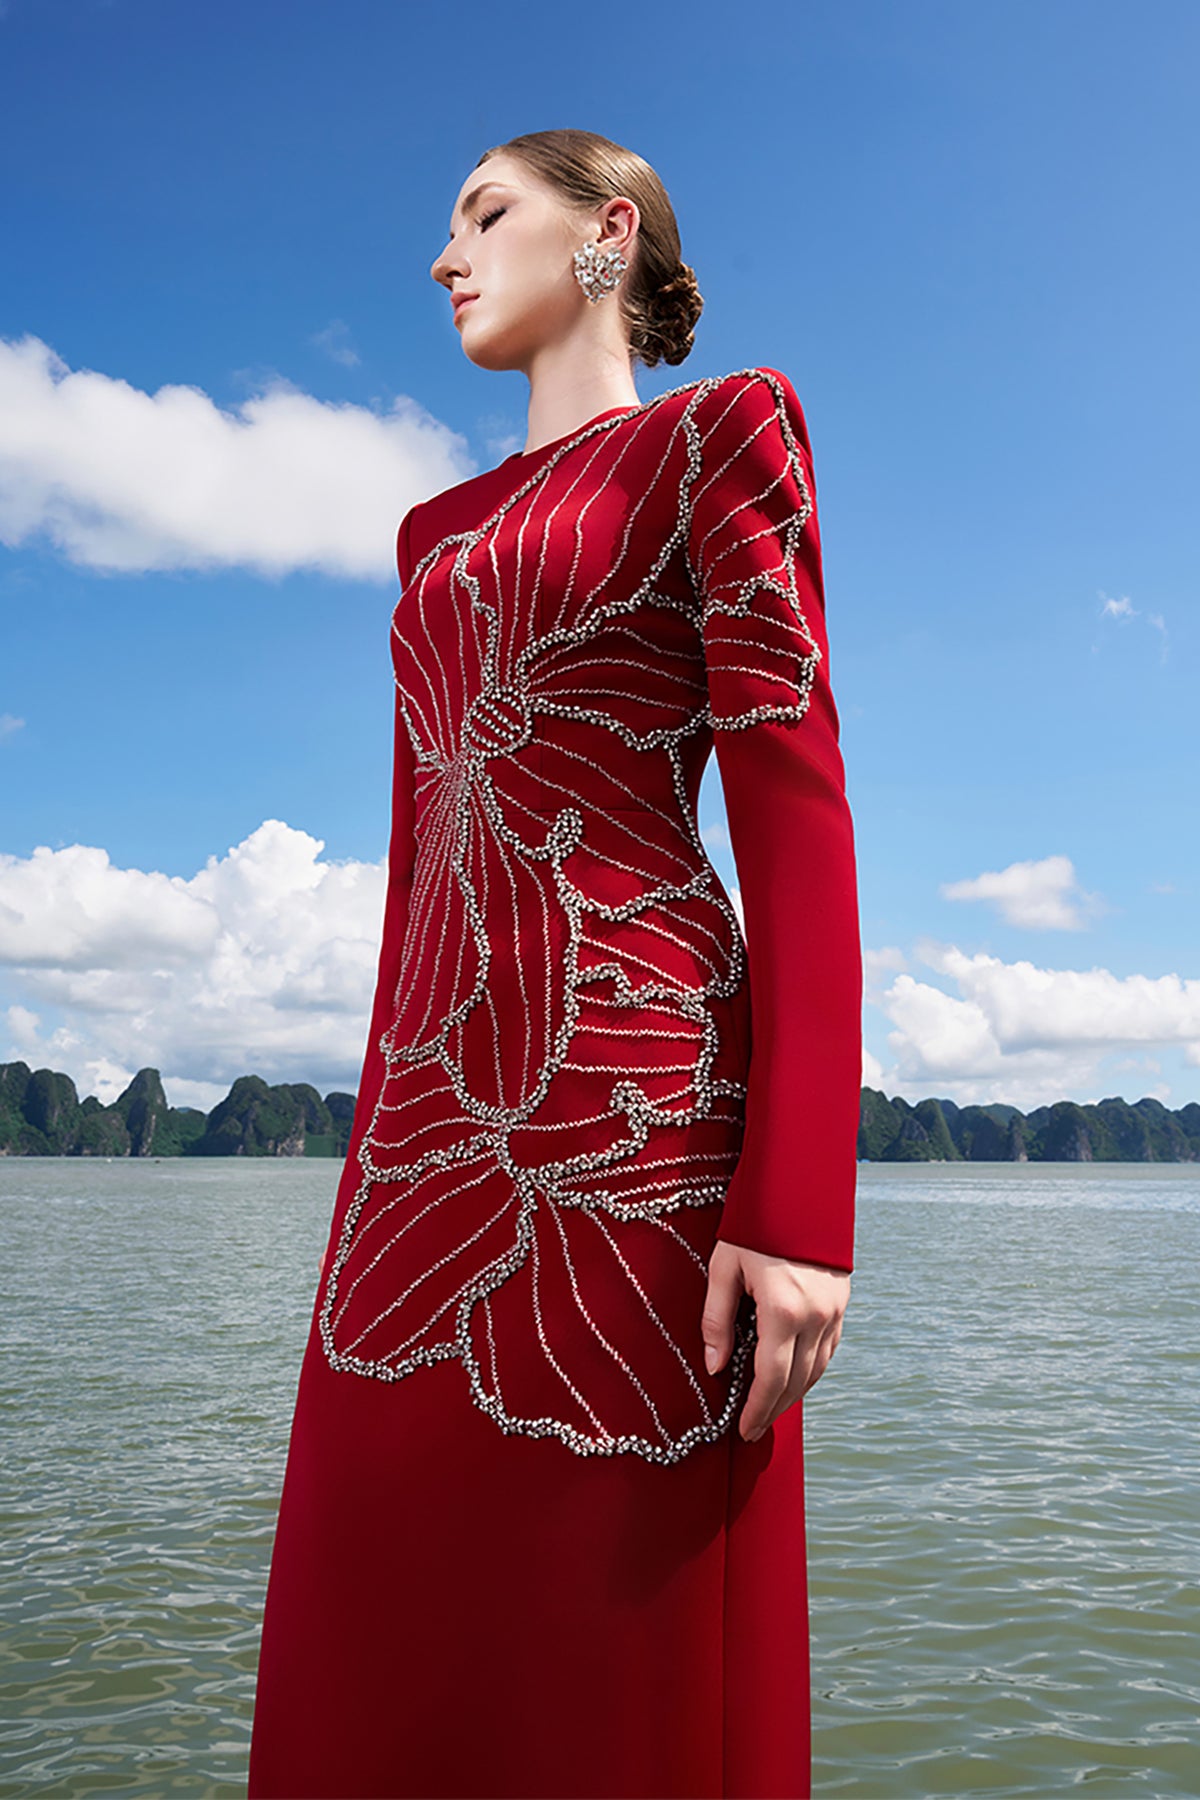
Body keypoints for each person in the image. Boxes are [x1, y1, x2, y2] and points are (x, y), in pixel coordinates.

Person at [247, 127, 862, 1800]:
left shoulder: (718, 435)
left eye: (484, 211)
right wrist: (371, 1162)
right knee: (374, 1600)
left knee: (619, 1634)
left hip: (636, 1115)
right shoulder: (429, 532)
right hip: (425, 1130)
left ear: (607, 233)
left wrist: (800, 1206)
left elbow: (795, 806)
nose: (445, 256)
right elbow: (419, 875)